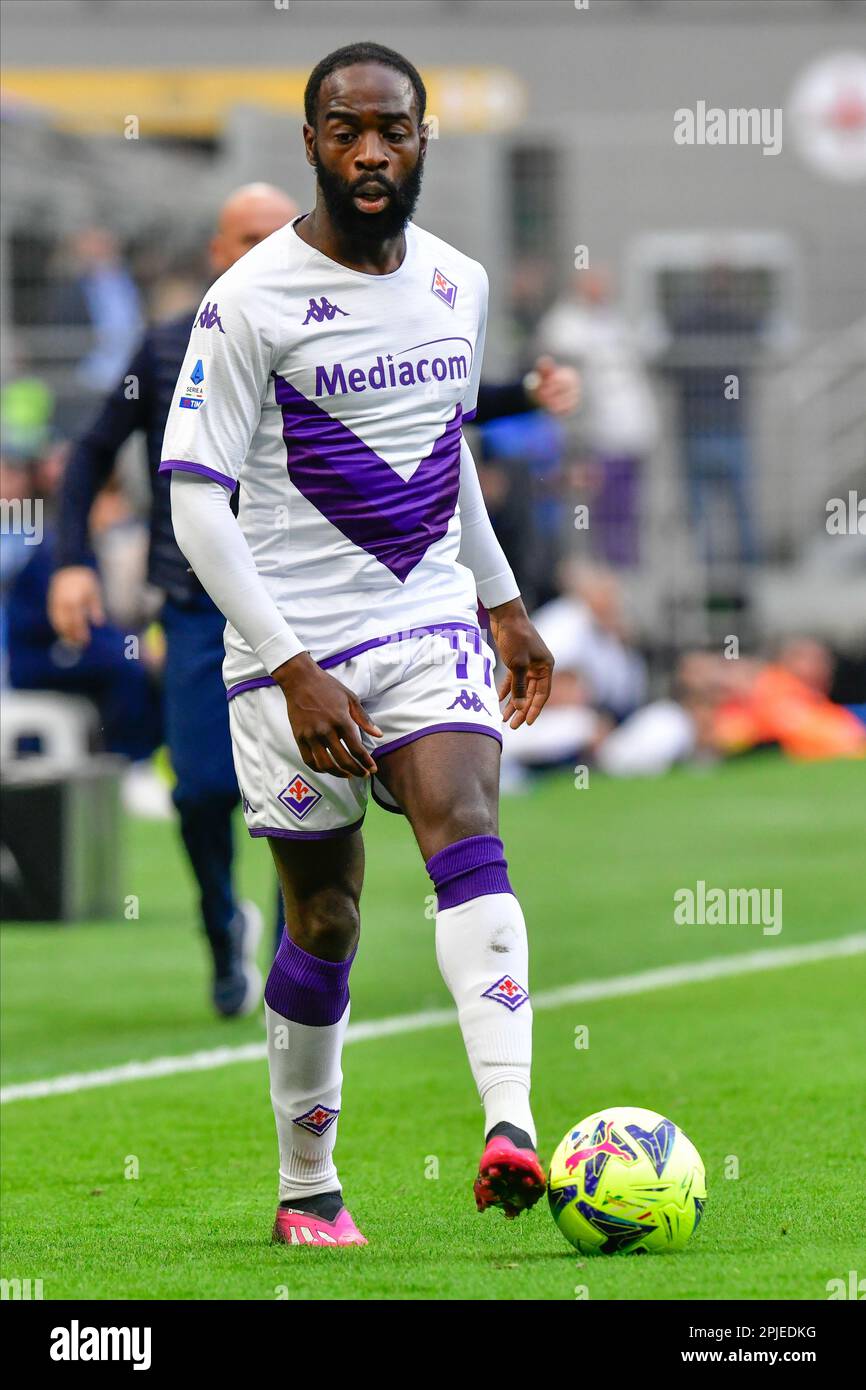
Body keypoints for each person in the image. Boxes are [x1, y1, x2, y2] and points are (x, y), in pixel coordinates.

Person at [163, 42, 555, 1248]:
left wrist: (499, 597)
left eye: (392, 129)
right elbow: (193, 502)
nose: (370, 151)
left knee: (465, 824)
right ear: (312, 143)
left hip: (424, 614)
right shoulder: (248, 303)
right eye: (346, 130)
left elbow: (443, 460)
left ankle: (510, 1124)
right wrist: (289, 665)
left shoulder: (457, 283)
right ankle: (307, 1185)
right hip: (286, 645)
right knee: (322, 919)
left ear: (425, 138)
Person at [48, 183, 300, 1018]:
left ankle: (299, 955)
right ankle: (221, 924)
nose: (267, 248)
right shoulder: (166, 348)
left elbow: (439, 405)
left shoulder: (326, 337)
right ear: (218, 253)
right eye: (248, 236)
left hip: (306, 602)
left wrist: (522, 392)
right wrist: (72, 563)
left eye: (281, 233)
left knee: (306, 790)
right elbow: (87, 456)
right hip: (194, 605)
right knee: (199, 788)